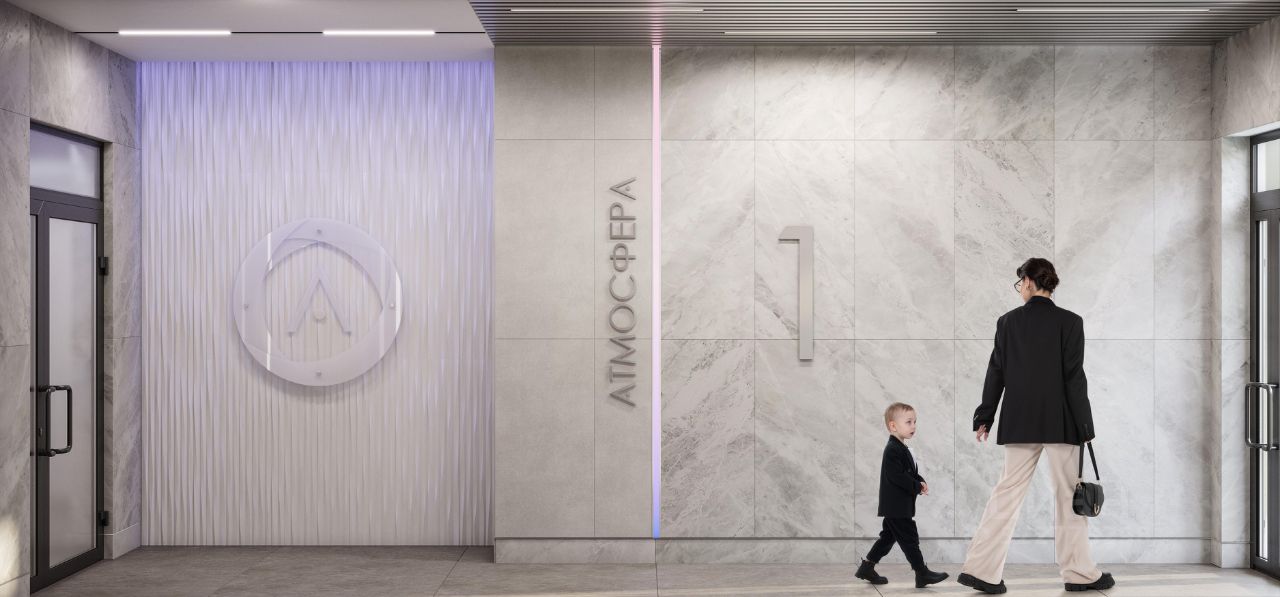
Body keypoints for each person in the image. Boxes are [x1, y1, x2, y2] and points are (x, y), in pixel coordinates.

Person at [957, 258, 1115, 594]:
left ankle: (981, 571)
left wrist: (985, 416)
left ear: (1029, 281)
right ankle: (1078, 574)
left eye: (1020, 283)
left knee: (1006, 494)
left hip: (1019, 421)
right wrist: (1085, 425)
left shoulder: (1007, 322)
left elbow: (996, 371)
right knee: (1068, 497)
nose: (1020, 289)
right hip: (1062, 421)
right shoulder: (1070, 322)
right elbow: (1074, 378)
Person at [855, 402, 949, 589]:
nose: (913, 426)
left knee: (888, 538)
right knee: (909, 538)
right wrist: (916, 486)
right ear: (893, 426)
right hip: (896, 505)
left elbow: (909, 472)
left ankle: (867, 567)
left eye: (915, 422)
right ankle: (921, 573)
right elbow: (897, 476)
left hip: (897, 505)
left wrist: (920, 481)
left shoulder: (901, 448)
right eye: (908, 422)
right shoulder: (892, 449)